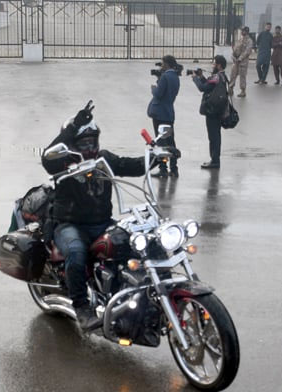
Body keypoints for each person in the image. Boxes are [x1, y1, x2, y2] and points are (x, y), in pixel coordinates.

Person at [42, 102, 147, 330]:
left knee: (134, 243)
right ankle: (81, 308)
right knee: (77, 252)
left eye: (92, 142)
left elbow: (132, 166)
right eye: (83, 143)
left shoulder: (103, 159)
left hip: (101, 223)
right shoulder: (63, 163)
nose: (89, 147)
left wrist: (157, 156)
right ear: (71, 144)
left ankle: (131, 296)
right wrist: (72, 128)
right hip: (70, 225)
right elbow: (46, 159)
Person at [147, 55, 180, 178]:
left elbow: (159, 94)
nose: (162, 66)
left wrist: (154, 89)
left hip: (160, 114)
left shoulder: (165, 76)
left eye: (163, 63)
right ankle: (174, 168)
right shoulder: (176, 77)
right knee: (170, 142)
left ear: (167, 64)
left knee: (161, 142)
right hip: (169, 113)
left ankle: (163, 168)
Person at [192, 55, 228, 169]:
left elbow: (203, 88)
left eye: (214, 63)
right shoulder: (221, 76)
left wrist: (195, 78)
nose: (213, 65)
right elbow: (209, 86)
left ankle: (215, 161)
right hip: (218, 110)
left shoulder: (216, 77)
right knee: (215, 135)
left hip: (213, 110)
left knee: (213, 137)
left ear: (219, 65)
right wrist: (201, 76)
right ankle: (215, 159)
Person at [229, 27, 253, 98]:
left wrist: (240, 58)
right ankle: (230, 89)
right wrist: (233, 56)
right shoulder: (240, 39)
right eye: (242, 30)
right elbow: (235, 49)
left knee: (242, 77)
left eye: (243, 31)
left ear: (246, 31)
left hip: (243, 62)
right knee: (233, 75)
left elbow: (247, 51)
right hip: (236, 62)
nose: (242, 32)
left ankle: (243, 91)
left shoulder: (249, 41)